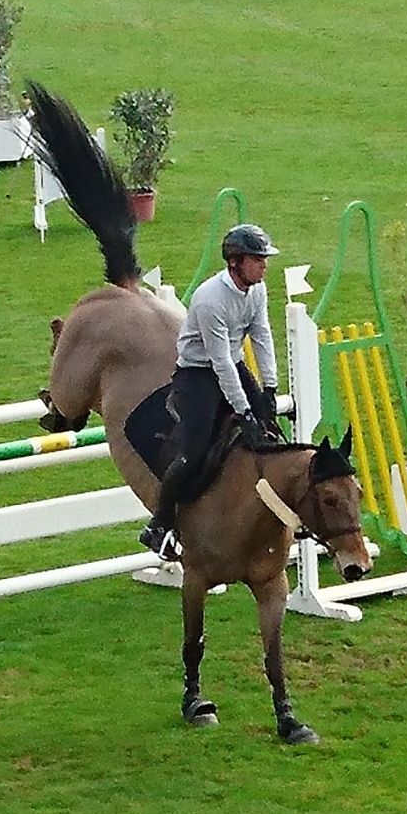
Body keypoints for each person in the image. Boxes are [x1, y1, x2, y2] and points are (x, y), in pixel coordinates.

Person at [138, 223, 282, 561]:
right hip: (198, 374)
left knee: (270, 433)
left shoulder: (257, 290)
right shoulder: (210, 300)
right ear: (235, 262)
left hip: (232, 364)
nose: (264, 265)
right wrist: (243, 410)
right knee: (194, 452)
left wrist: (270, 389)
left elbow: (262, 336)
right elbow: (219, 363)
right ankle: (159, 524)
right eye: (258, 259)